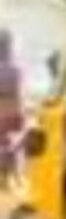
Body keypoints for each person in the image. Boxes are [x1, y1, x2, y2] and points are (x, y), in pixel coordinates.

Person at [0, 31, 22, 186]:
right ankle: (9, 176)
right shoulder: (16, 69)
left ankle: (6, 178)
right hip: (11, 108)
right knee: (8, 143)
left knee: (4, 142)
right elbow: (17, 93)